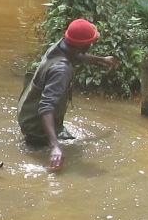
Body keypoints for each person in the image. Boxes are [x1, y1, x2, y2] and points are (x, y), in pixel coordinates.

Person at [18, 18, 118, 171]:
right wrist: (55, 147)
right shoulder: (61, 70)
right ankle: (44, 147)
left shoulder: (61, 46)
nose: (92, 44)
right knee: (53, 165)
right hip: (36, 127)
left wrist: (102, 60)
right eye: (90, 42)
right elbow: (46, 107)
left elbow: (76, 56)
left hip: (27, 113)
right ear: (82, 45)